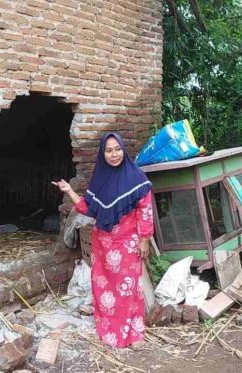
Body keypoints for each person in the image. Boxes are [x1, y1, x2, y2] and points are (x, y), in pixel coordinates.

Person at [52, 132, 154, 348]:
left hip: (128, 244)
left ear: (123, 150)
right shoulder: (100, 179)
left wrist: (144, 240)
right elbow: (88, 209)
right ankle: (111, 333)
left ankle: (134, 335)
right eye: (108, 150)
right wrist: (69, 190)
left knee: (129, 289)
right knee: (105, 289)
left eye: (117, 149)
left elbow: (145, 211)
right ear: (102, 153)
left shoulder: (136, 178)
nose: (114, 154)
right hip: (103, 245)